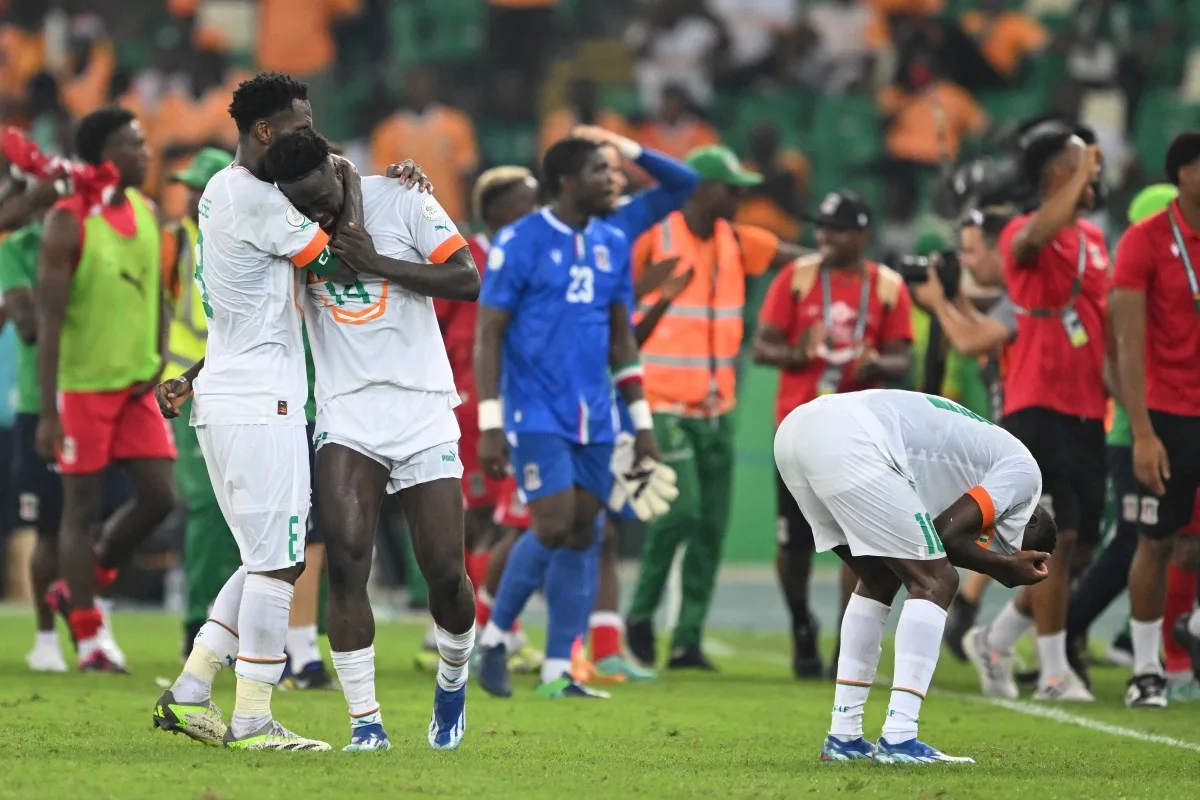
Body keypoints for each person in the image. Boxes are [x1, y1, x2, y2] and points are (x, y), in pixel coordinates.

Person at [151, 71, 351, 752]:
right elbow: (333, 262)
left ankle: (192, 686)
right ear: (265, 131)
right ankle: (254, 718)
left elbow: (249, 312)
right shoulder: (249, 196)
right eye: (300, 124)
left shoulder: (239, 194)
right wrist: (349, 191)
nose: (311, 135)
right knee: (277, 563)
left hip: (246, 390)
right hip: (259, 402)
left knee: (265, 555)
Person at [264, 127, 480, 750]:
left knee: (443, 570)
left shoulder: (404, 197)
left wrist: (376, 260)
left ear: (340, 170)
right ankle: (366, 723)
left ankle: (453, 674)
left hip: (421, 407)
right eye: (302, 205)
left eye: (321, 199)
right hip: (346, 411)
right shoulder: (285, 223)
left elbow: (467, 280)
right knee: (347, 560)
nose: (315, 213)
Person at [472, 137, 666, 698]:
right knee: (553, 524)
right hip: (536, 411)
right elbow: (489, 332)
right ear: (567, 182)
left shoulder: (611, 242)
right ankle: (493, 640)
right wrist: (491, 421)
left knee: (585, 532)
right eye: (601, 171)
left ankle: (560, 669)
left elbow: (621, 338)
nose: (614, 179)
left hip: (598, 417)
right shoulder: (520, 241)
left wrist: (642, 421)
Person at [775, 389, 1055, 763]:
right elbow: (947, 536)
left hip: (798, 430)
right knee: (938, 580)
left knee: (879, 576)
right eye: (1003, 543)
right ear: (1031, 517)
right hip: (846, 437)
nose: (990, 548)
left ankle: (844, 737)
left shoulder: (972, 467)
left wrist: (999, 564)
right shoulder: (1025, 475)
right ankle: (900, 737)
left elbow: (942, 538)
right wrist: (1004, 567)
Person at [625, 145, 806, 670]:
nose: (741, 196)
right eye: (732, 188)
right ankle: (639, 616)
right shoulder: (653, 237)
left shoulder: (735, 239)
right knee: (679, 512)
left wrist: (843, 261)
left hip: (717, 405)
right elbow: (618, 294)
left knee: (710, 525)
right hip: (660, 401)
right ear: (701, 190)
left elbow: (792, 259)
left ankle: (686, 641)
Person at [963, 127, 1107, 702]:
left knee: (1083, 548)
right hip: (1036, 405)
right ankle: (1052, 671)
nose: (1092, 174)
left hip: (1089, 409)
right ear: (1054, 173)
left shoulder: (1094, 239)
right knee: (1055, 542)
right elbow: (1028, 245)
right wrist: (1075, 178)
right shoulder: (1026, 232)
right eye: (1078, 165)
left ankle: (994, 639)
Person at [37, 106, 177, 672]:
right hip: (84, 387)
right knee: (82, 506)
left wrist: (160, 355)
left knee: (159, 496)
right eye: (133, 146)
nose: (145, 155)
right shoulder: (67, 221)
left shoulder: (147, 213)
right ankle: (91, 637)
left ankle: (84, 584)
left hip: (136, 384)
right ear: (103, 157)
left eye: (144, 145)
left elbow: (160, 297)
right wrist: (47, 413)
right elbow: (48, 324)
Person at [753, 190, 914, 680]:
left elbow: (902, 359)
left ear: (862, 234)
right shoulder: (796, 278)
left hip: (859, 432)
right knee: (794, 544)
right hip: (799, 429)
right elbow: (762, 347)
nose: (824, 237)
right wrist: (796, 356)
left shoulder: (887, 286)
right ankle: (802, 622)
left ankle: (848, 641)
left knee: (859, 540)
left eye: (836, 229)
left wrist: (874, 363)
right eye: (820, 228)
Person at [1111, 132, 1200, 708]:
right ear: (1186, 173)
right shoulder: (1144, 242)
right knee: (1157, 539)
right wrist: (1141, 431)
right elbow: (1128, 344)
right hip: (1167, 412)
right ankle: (1146, 667)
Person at [910, 206, 1017, 657]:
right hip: (1013, 414)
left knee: (1049, 533)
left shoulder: (1023, 292)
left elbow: (973, 338)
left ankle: (976, 619)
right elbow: (978, 326)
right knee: (1051, 533)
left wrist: (940, 303)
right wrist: (950, 299)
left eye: (972, 252)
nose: (967, 262)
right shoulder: (1010, 295)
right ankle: (981, 622)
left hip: (1036, 416)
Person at [159, 147, 242, 660]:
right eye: (186, 185)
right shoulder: (174, 242)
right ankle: (197, 619)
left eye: (197, 184)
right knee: (206, 506)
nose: (188, 194)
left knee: (239, 506)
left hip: (236, 383)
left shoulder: (234, 237)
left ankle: (231, 624)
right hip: (189, 388)